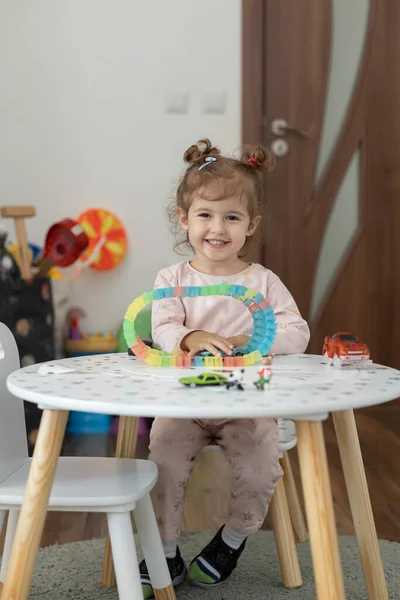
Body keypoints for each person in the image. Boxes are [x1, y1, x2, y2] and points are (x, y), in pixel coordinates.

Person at [139, 139, 310, 598]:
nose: (218, 228)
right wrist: (190, 337)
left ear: (250, 224)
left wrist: (254, 338)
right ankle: (166, 546)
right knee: (163, 463)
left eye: (231, 217)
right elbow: (163, 326)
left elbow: (299, 331)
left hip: (245, 401)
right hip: (186, 402)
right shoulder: (171, 280)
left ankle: (231, 541)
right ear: (184, 218)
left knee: (261, 467)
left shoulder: (263, 282)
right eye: (205, 215)